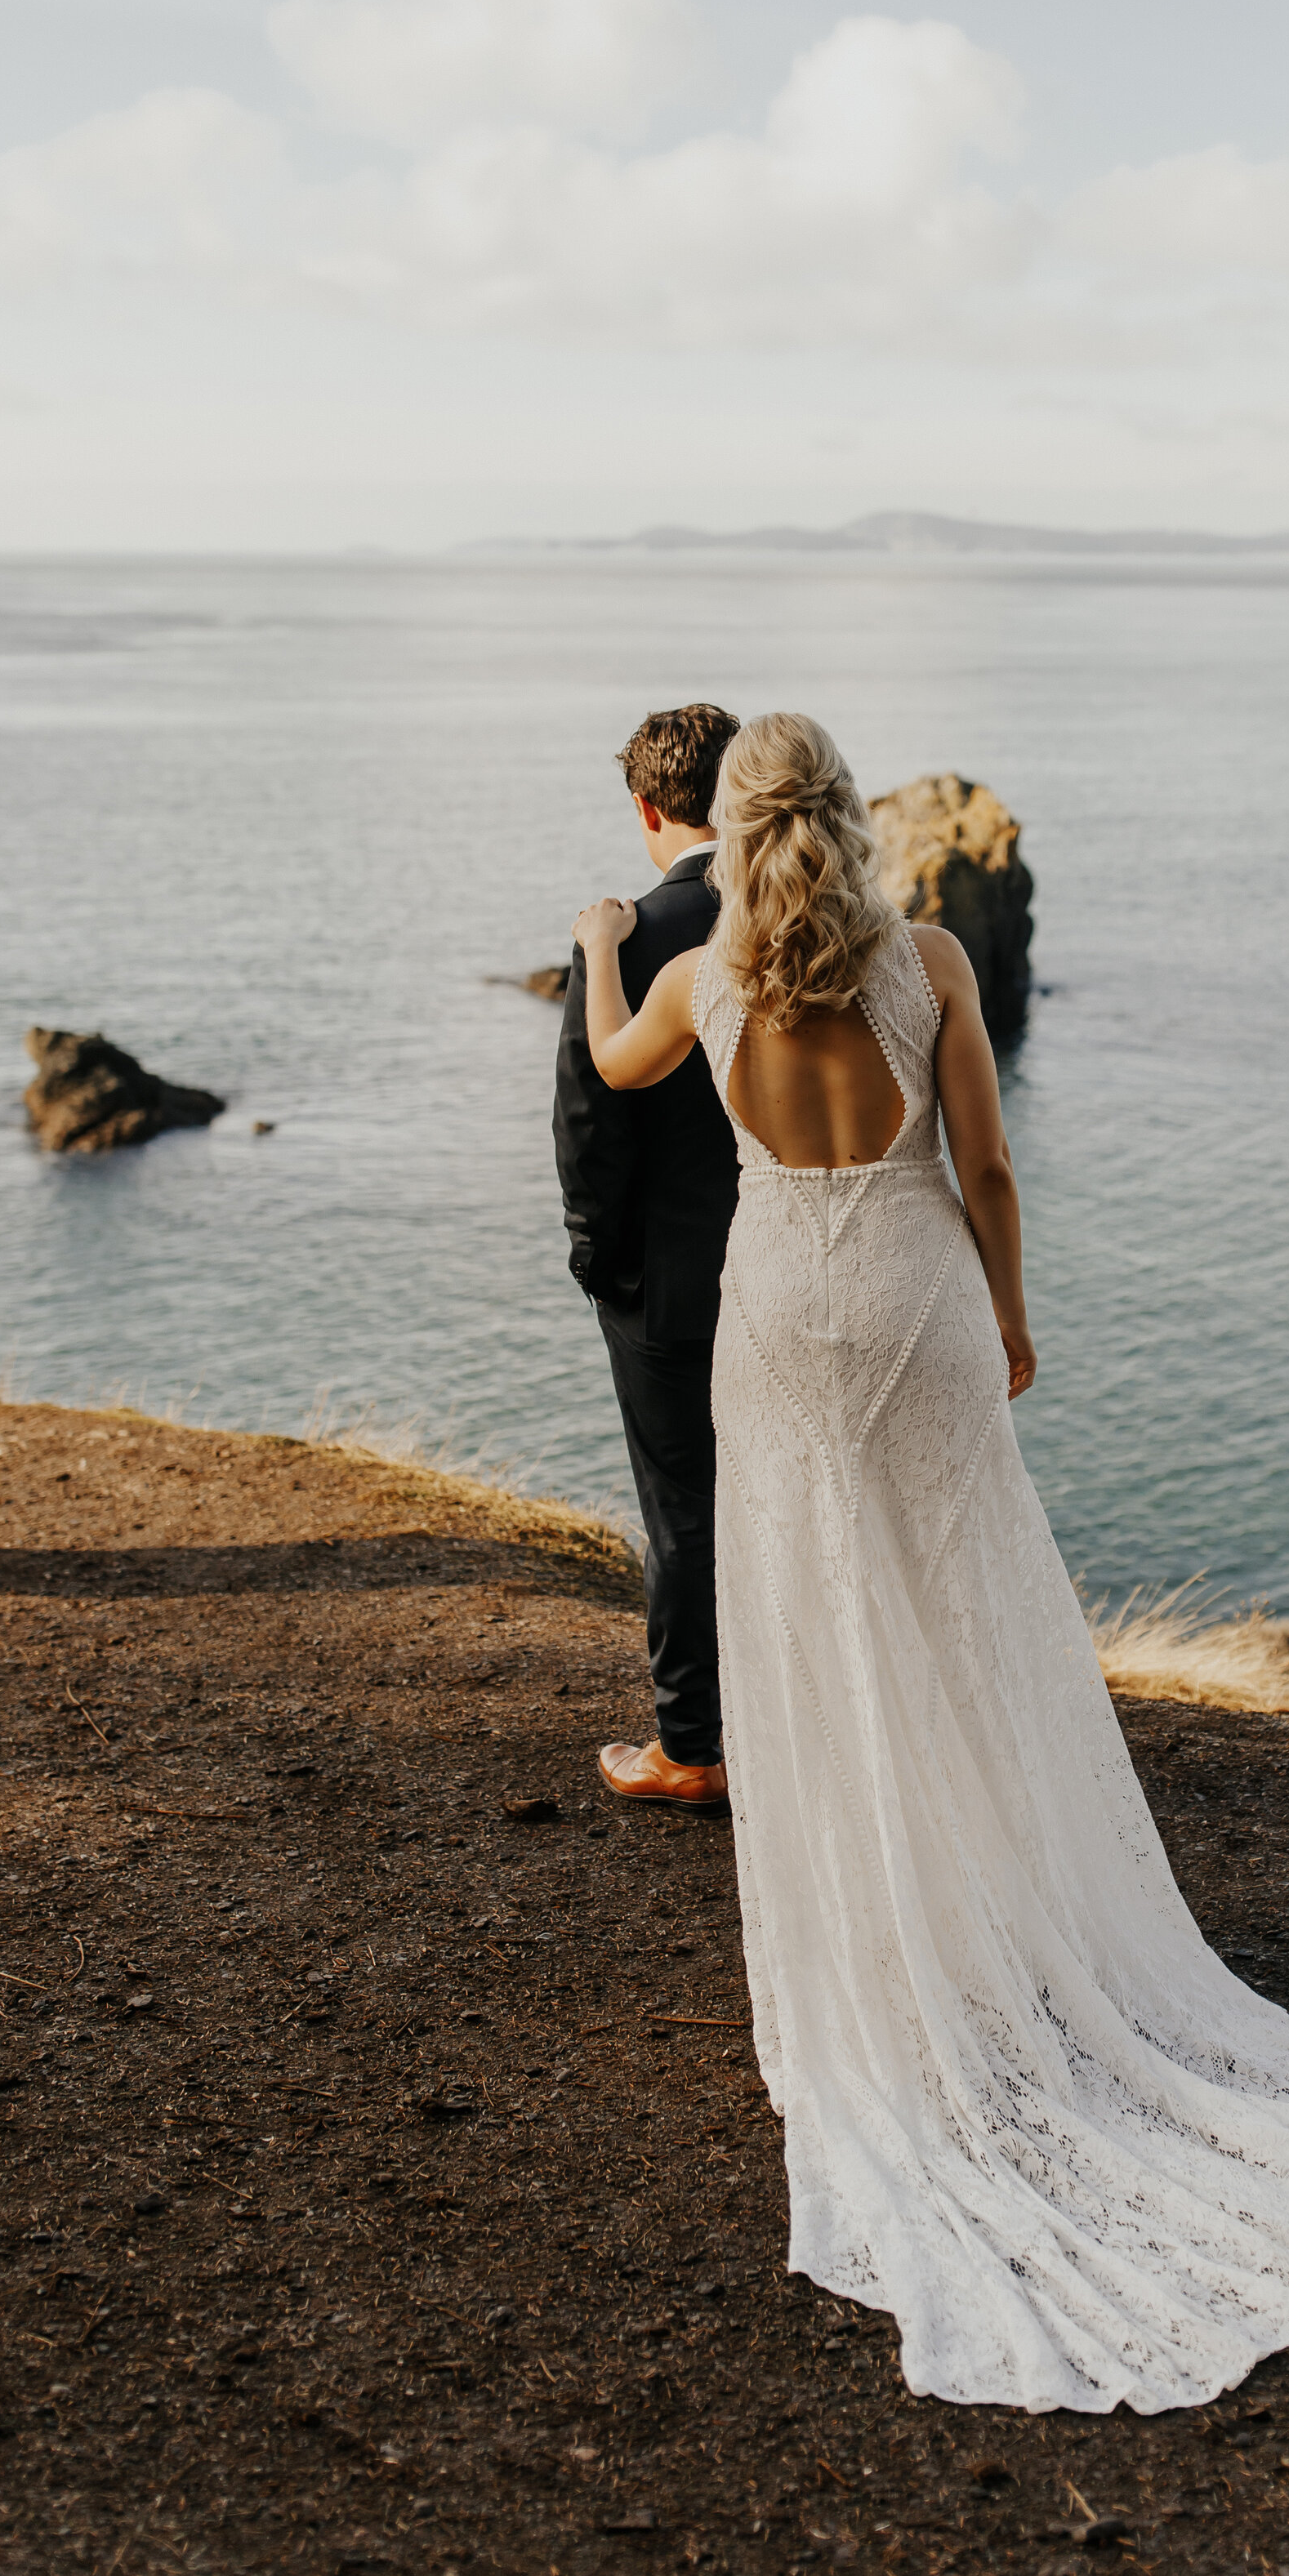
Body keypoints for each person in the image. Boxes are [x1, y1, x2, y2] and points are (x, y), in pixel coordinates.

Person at [572, 712, 1289, 2415]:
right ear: (851, 818)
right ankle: (1018, 1931)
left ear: (725, 827)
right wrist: (1010, 1320)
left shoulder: (703, 976)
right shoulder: (926, 953)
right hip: (918, 1304)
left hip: (781, 1316)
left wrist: (592, 950)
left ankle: (887, 1957)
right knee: (970, 1614)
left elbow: (617, 1066)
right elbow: (987, 1168)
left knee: (818, 1628)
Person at [554, 702, 743, 1813]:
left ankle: (692, 1744)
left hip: (666, 1276)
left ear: (646, 808)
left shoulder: (628, 936)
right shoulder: (800, 917)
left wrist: (598, 1259)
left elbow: (589, 1118)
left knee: (684, 1507)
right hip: (795, 1259)